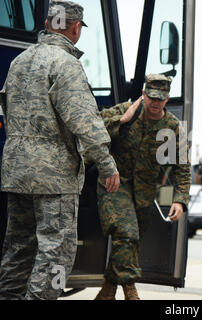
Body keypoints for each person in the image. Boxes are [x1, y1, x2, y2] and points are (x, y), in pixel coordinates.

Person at [0, 0, 120, 300]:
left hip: (16, 173)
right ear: (76, 28)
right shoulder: (66, 64)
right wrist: (106, 165)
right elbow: (85, 122)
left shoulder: (19, 62)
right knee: (56, 257)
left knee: (17, 250)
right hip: (54, 179)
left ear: (47, 24)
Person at [95, 74, 191, 300]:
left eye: (161, 99)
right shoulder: (128, 111)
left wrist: (180, 199)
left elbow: (182, 168)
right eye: (151, 98)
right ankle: (131, 291)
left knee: (129, 241)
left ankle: (108, 289)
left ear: (167, 99)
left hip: (144, 194)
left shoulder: (172, 128)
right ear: (144, 94)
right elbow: (91, 128)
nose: (155, 103)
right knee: (126, 233)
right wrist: (122, 120)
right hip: (115, 184)